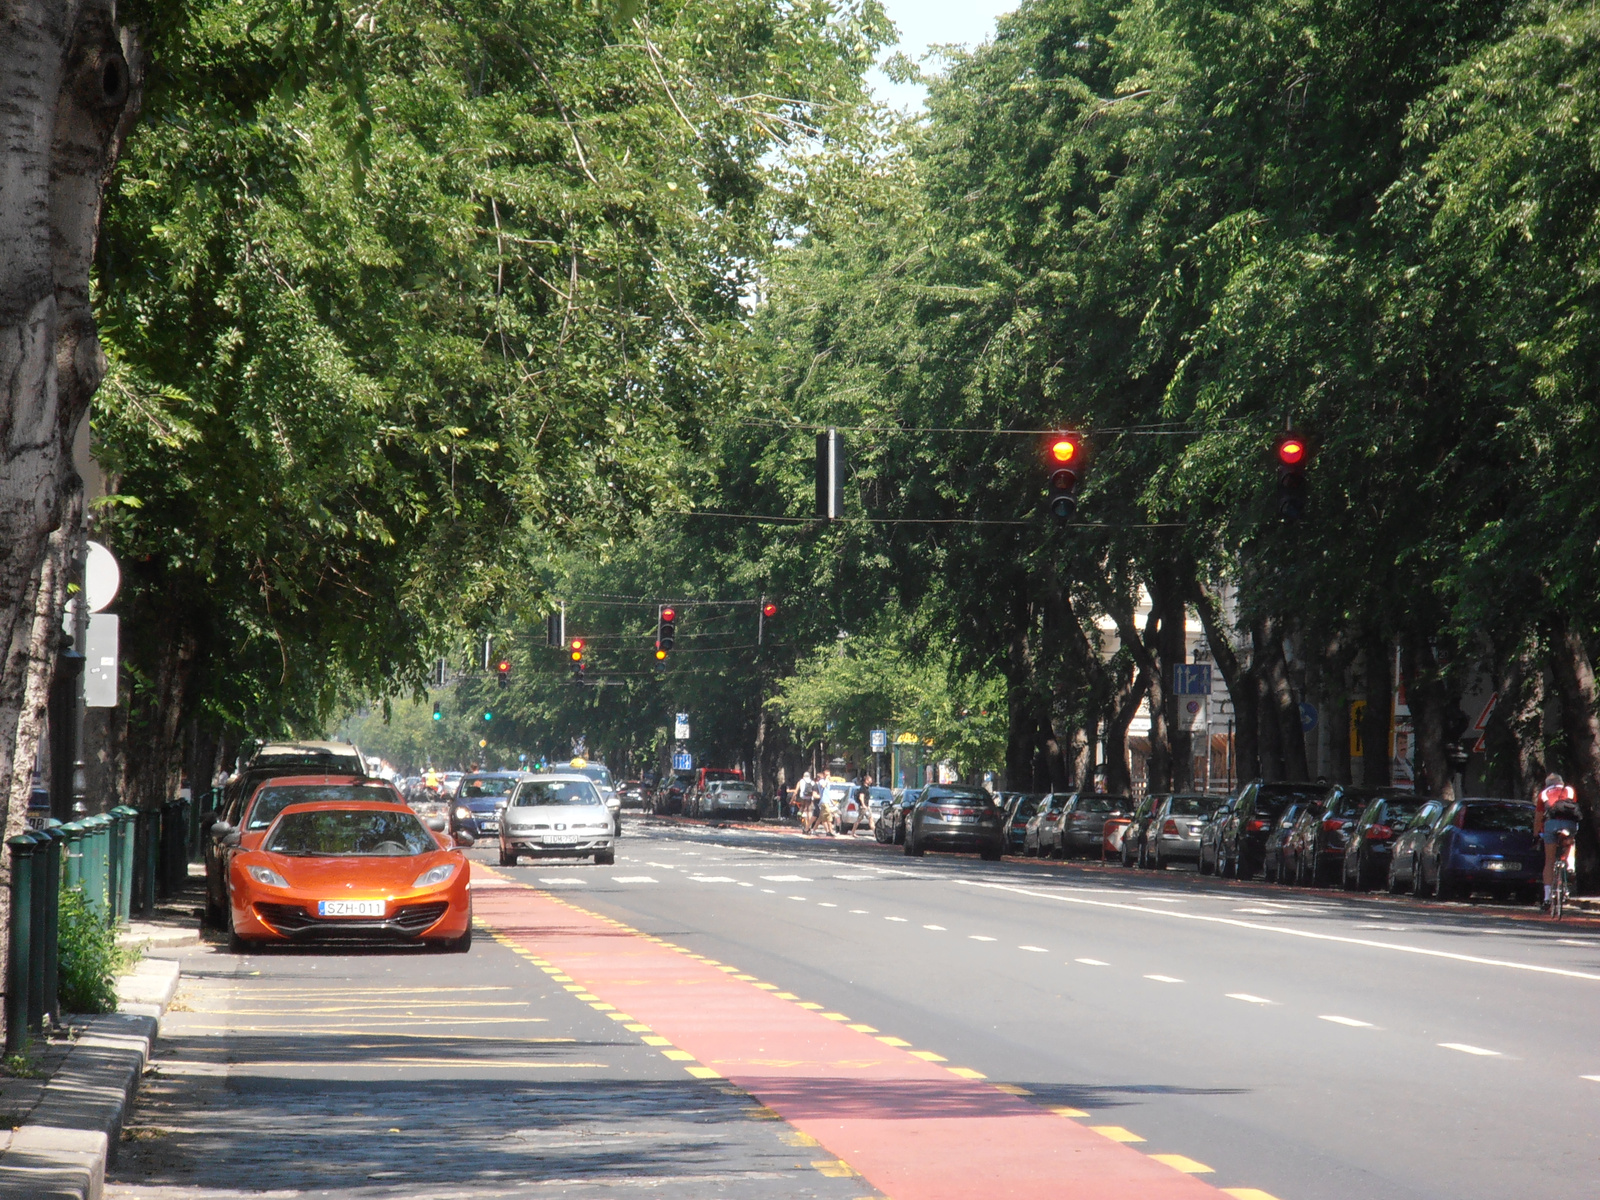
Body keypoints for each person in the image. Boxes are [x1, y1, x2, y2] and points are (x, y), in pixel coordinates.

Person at [1536, 772, 1581, 911]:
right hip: (1569, 824)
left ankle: (1547, 897)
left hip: (1551, 825)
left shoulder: (1543, 794)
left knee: (1549, 860)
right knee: (1570, 842)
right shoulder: (1569, 790)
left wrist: (1536, 834)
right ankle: (1570, 865)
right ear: (1561, 782)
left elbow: (1538, 818)